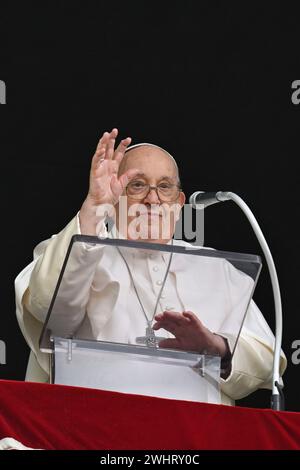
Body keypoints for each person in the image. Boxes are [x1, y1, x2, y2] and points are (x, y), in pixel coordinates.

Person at [15, 128, 286, 406]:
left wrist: (216, 346)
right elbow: (49, 310)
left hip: (196, 436)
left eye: (165, 186)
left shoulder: (216, 268)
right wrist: (94, 206)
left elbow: (268, 359)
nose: (153, 199)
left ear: (179, 204)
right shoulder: (79, 249)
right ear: (115, 197)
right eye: (137, 185)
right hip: (96, 426)